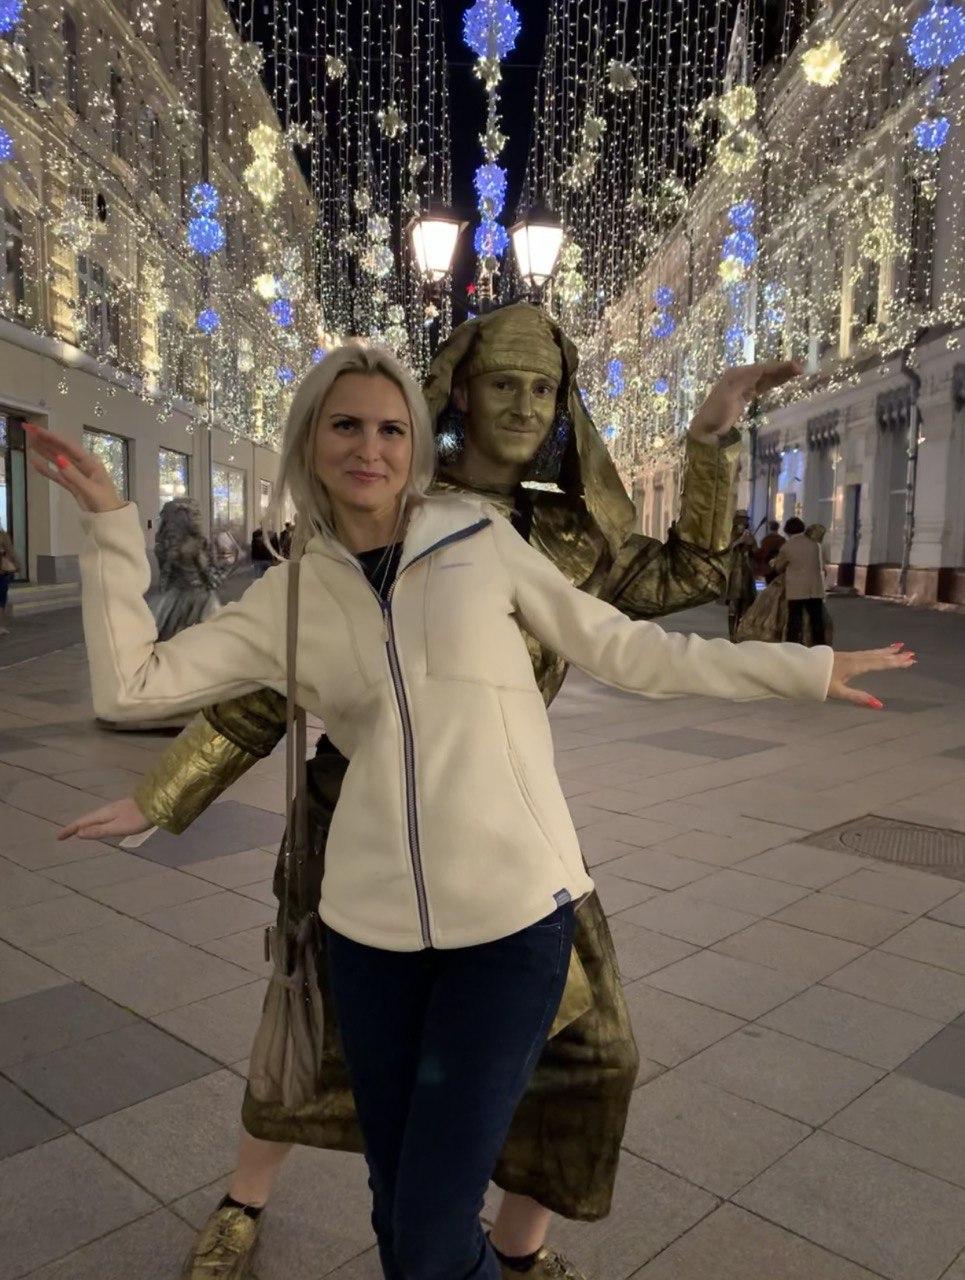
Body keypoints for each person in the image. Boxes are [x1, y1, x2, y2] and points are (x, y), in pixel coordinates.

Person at [28, 345, 912, 1280]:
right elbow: (136, 686)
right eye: (345, 425)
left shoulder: (479, 541)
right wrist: (111, 526)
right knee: (398, 1212)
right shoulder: (287, 596)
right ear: (309, 441)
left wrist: (801, 669)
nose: (369, 448)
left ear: (417, 444)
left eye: (390, 429)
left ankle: (516, 1247)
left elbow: (630, 649)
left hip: (512, 922)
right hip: (366, 935)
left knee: (435, 1229)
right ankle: (258, 1200)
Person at [148, 499, 226, 641]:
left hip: (182, 600)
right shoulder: (192, 544)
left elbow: (164, 581)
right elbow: (212, 580)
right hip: (192, 598)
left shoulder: (167, 546)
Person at [773, 515, 828, 646]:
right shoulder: (815, 544)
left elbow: (779, 567)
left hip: (796, 588)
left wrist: (774, 562)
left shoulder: (787, 546)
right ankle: (820, 646)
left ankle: (792, 647)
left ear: (787, 531)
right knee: (817, 620)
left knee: (794, 620)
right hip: (815, 587)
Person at [723, 509, 757, 640]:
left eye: (744, 521)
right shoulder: (729, 535)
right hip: (734, 573)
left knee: (745, 605)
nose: (742, 524)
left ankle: (739, 632)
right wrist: (739, 541)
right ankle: (731, 633)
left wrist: (751, 545)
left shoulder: (749, 535)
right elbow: (725, 549)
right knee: (733, 604)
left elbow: (756, 551)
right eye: (740, 521)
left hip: (747, 573)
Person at [0, 525, 20, 636]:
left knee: (1, 600)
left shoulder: (3, 535)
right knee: (1, 600)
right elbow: (10, 552)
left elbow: (10, 552)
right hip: (3, 573)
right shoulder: (3, 535)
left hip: (2, 573)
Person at [756, 519, 785, 583]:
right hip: (778, 566)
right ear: (778, 528)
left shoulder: (765, 540)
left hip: (767, 567)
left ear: (770, 528)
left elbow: (762, 552)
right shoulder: (782, 540)